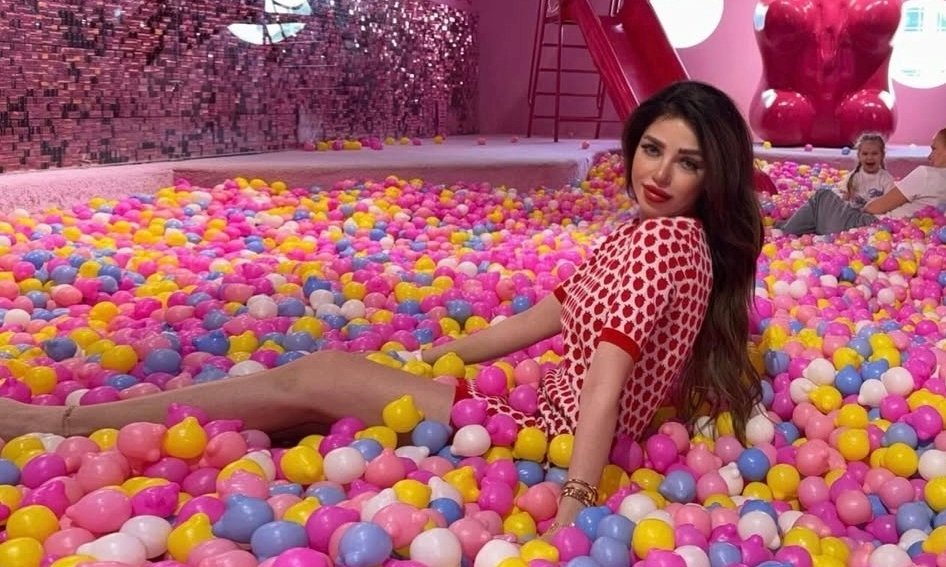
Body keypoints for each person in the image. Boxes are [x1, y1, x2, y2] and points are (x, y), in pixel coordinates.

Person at [0, 81, 763, 531]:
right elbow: (542, 320)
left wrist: (575, 505)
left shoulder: (660, 243)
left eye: (687, 162)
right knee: (312, 399)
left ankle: (56, 424)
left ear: (713, 176)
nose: (660, 172)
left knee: (316, 373)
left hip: (541, 442)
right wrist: (429, 359)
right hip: (529, 425)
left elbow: (604, 385)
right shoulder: (664, 239)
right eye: (652, 148)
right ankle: (124, 422)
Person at [778, 128, 946, 236]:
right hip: (905, 235)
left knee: (822, 196)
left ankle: (782, 231)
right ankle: (787, 226)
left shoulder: (925, 174)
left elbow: (875, 208)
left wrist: (861, 208)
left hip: (872, 229)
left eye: (934, 149)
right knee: (822, 212)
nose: (929, 156)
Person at [833, 132, 895, 209]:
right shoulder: (854, 176)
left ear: (882, 155)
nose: (869, 157)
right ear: (859, 156)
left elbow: (890, 202)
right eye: (865, 154)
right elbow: (845, 198)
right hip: (855, 213)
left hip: (877, 213)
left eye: (874, 153)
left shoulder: (886, 179)